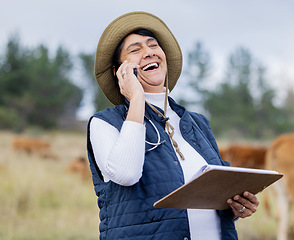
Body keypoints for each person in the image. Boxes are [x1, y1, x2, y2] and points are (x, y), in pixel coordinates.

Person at [87, 11, 260, 240]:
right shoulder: (104, 123)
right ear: (118, 70)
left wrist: (236, 208)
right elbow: (127, 174)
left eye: (153, 45)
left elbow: (213, 193)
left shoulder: (197, 123)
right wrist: (136, 98)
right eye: (135, 49)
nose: (149, 52)